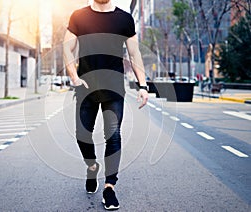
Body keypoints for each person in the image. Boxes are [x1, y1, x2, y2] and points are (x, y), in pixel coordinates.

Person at [63, 0, 148, 210]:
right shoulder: (78, 16)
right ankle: (92, 167)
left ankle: (110, 186)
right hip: (85, 86)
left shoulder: (124, 19)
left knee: (113, 134)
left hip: (114, 87)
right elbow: (66, 48)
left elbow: (134, 53)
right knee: (82, 134)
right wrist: (74, 77)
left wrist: (143, 85)